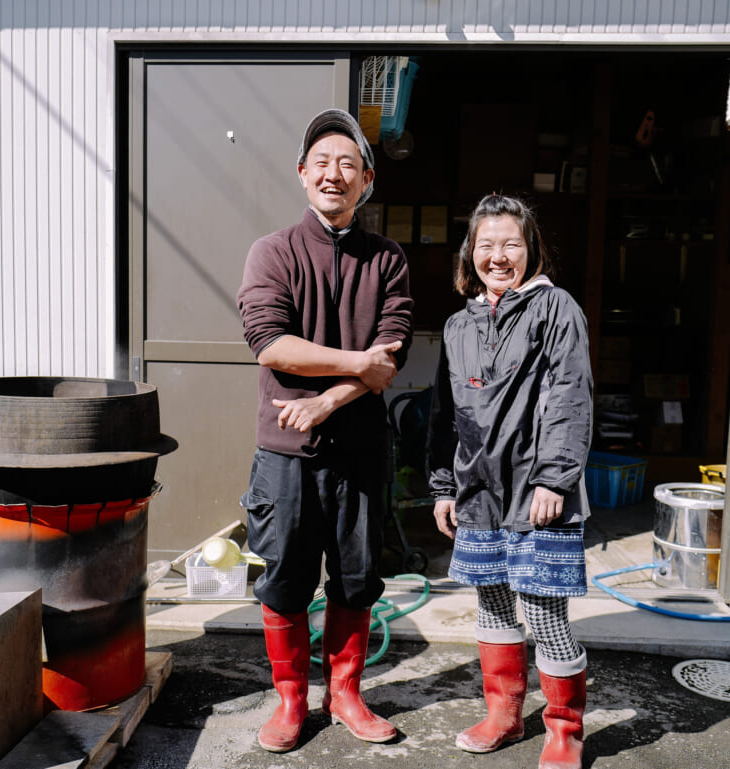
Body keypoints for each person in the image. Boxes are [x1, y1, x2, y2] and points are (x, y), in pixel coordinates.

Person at [236, 108, 414, 753]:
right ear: (303, 174)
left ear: (366, 179)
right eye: (322, 163)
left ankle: (345, 695)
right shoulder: (273, 252)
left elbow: (388, 359)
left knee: (357, 577)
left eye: (348, 164)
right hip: (284, 453)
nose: (334, 175)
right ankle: (290, 700)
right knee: (284, 577)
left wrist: (325, 403)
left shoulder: (386, 259)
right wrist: (353, 368)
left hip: (361, 449)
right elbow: (271, 345)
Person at [426, 194, 593, 769]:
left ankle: (564, 731)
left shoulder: (557, 309)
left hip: (538, 490)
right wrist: (444, 485)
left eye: (511, 245)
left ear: (531, 249)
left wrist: (555, 478)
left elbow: (571, 396)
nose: (498, 257)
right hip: (478, 490)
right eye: (486, 245)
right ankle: (502, 713)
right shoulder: (458, 323)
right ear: (470, 253)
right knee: (494, 606)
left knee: (545, 614)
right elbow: (444, 413)